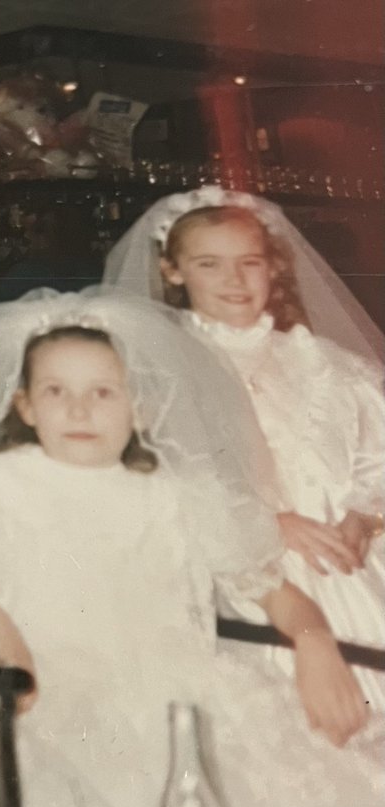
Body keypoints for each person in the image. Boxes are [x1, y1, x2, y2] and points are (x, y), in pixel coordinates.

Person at [0, 290, 384, 807]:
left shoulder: (181, 494)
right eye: (56, 391)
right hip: (48, 703)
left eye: (104, 392)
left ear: (140, 408)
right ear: (26, 406)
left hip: (186, 700)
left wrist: (315, 641)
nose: (80, 411)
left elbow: (275, 593)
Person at [103, 186, 385, 709]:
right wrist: (268, 523)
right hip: (244, 583)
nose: (234, 280)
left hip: (353, 571)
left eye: (249, 262)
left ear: (272, 269)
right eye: (209, 264)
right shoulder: (155, 370)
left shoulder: (325, 363)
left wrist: (364, 515)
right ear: (173, 271)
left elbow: (379, 452)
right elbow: (145, 481)